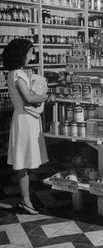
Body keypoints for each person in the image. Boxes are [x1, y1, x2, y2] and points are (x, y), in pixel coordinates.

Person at [2, 38, 49, 215]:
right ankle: (26, 200)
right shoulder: (18, 74)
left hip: (22, 118)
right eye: (29, 53)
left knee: (23, 161)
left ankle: (25, 199)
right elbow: (29, 98)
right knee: (23, 161)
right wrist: (46, 97)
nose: (31, 56)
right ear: (21, 54)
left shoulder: (14, 73)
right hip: (25, 120)